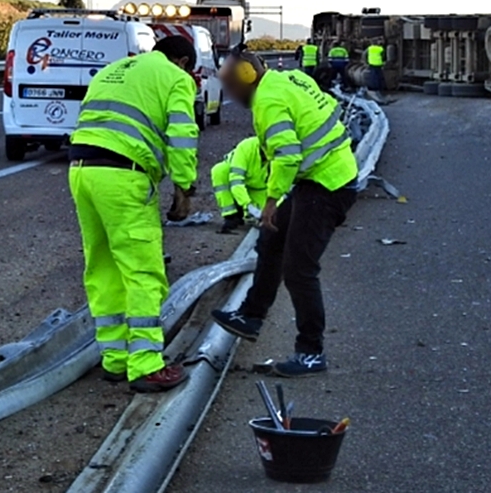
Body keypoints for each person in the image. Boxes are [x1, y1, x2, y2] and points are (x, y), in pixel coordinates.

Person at [212, 50, 358, 377]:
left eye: (232, 87)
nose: (231, 96)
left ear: (248, 78)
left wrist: (271, 200)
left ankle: (310, 352)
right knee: (271, 240)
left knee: (299, 270)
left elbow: (288, 155)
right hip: (319, 177)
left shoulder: (267, 102)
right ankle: (251, 315)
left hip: (329, 184)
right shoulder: (289, 77)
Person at [68, 35, 200, 393]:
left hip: (81, 171)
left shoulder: (113, 70)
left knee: (103, 265)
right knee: (143, 270)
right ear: (183, 61)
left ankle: (115, 358)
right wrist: (185, 186)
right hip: (124, 176)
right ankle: (145, 364)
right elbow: (183, 136)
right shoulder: (176, 78)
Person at [211, 136, 267, 234]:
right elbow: (236, 181)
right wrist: (247, 205)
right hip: (237, 181)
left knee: (271, 218)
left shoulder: (280, 154)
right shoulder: (246, 147)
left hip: (259, 187)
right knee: (219, 171)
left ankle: (245, 213)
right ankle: (231, 215)